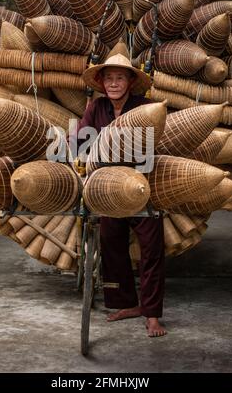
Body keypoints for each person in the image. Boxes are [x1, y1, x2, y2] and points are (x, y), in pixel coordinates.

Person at [70, 48, 167, 337]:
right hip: (108, 188)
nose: (113, 83)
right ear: (101, 83)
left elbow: (154, 141)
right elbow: (81, 139)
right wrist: (70, 145)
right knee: (110, 240)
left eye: (119, 78)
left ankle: (151, 314)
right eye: (109, 79)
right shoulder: (95, 108)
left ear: (129, 82)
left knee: (152, 247)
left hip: (140, 185)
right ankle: (126, 302)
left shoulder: (143, 106)